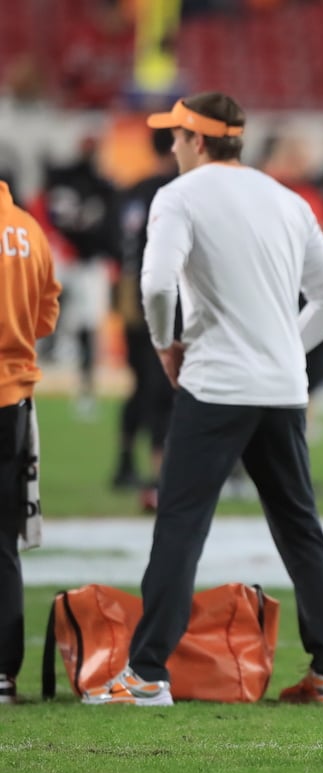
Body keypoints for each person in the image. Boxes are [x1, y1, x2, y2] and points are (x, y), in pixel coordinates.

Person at [83, 92, 323, 706]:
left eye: (177, 137)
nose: (171, 147)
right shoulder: (286, 200)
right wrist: (287, 342)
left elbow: (154, 282)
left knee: (181, 524)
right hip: (283, 388)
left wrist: (163, 344)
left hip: (215, 385)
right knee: (299, 528)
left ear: (199, 140)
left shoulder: (179, 196)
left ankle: (148, 673)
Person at [0, 177, 60, 704]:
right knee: (3, 542)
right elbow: (46, 314)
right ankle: (2, 674)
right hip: (12, 397)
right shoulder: (27, 230)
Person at [111, 127, 178, 512]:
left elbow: (113, 241)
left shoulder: (133, 190)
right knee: (164, 384)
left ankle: (125, 461)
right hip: (165, 294)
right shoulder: (175, 191)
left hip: (128, 290)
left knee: (140, 383)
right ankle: (159, 472)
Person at [29, 136, 118, 420]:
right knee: (42, 316)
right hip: (66, 259)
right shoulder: (87, 184)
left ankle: (85, 388)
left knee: (85, 330)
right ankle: (38, 366)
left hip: (84, 263)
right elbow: (41, 208)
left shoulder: (98, 186)